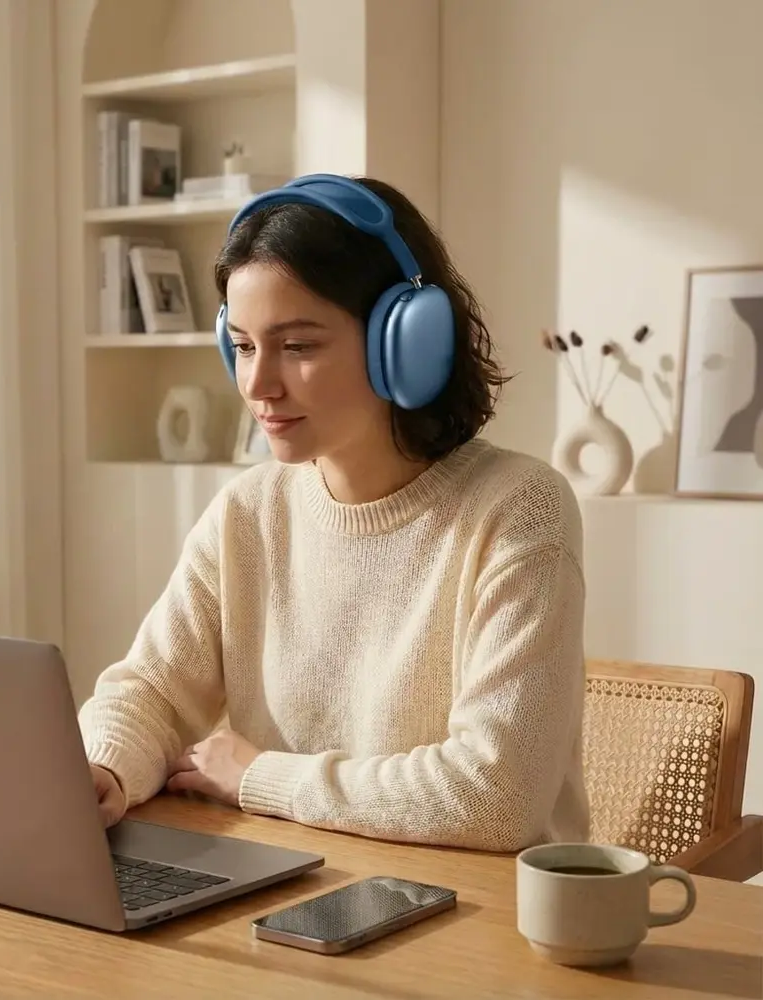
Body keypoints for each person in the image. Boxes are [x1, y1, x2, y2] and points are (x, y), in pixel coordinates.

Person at [78, 174, 590, 853]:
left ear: (406, 342)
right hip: (294, 886)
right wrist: (106, 767)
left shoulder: (520, 510)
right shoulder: (247, 513)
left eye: (297, 346)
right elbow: (150, 690)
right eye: (243, 345)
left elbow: (495, 796)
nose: (258, 385)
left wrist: (259, 776)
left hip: (481, 922)